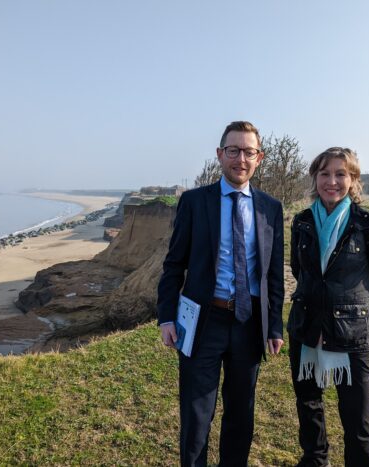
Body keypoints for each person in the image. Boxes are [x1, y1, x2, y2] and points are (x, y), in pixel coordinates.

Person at [157, 121, 285, 467]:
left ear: (259, 158)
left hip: (248, 322)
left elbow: (273, 275)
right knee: (197, 416)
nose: (240, 159)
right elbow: (174, 265)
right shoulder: (195, 202)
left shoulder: (270, 208)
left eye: (248, 152)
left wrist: (275, 327)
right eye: (233, 150)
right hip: (203, 322)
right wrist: (167, 317)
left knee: (241, 415)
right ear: (219, 155)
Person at [288, 147, 369, 467]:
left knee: (358, 417)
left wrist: (354, 308)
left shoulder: (367, 224)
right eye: (324, 173)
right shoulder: (302, 222)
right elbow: (299, 270)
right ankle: (315, 459)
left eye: (340, 174)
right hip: (307, 327)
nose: (331, 181)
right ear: (315, 178)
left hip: (353, 335)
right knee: (308, 404)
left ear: (353, 180)